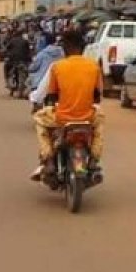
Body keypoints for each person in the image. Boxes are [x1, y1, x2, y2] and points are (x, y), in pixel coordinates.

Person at [28, 28, 104, 181]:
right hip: (88, 118)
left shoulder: (58, 67)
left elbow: (51, 95)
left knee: (38, 119)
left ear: (66, 47)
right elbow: (97, 97)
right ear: (82, 47)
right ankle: (94, 160)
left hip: (62, 118)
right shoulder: (94, 66)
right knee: (99, 126)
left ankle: (48, 159)